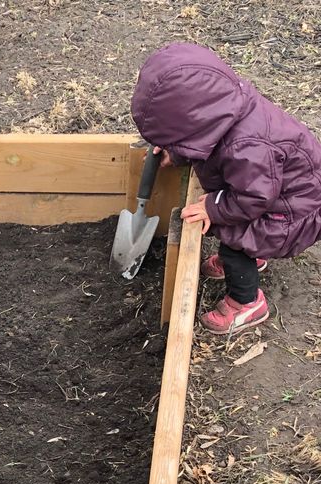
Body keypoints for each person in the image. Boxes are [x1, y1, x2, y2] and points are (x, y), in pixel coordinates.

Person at [131, 43, 321, 334]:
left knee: (235, 239)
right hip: (272, 192)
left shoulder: (248, 146)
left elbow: (253, 198)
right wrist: (177, 153)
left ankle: (247, 303)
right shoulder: (223, 113)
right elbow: (201, 143)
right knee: (233, 225)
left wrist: (212, 206)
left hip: (290, 211)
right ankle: (252, 256)